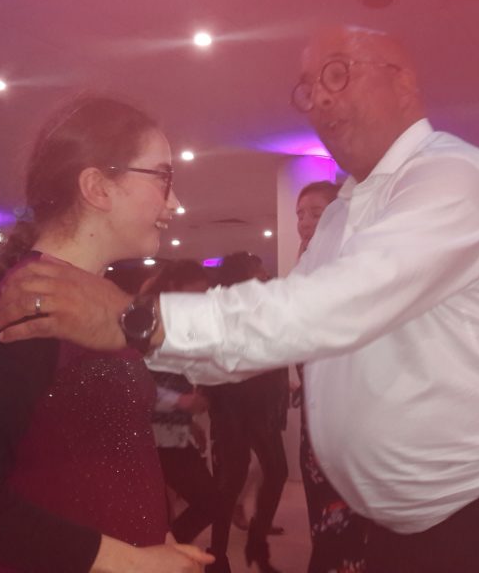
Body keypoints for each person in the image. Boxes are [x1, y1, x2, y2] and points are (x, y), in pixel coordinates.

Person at [0, 27, 479, 573]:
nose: (320, 98)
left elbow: (330, 307)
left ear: (403, 81)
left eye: (338, 74)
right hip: (407, 521)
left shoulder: (453, 177)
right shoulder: (341, 217)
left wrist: (134, 319)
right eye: (307, 89)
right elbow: (288, 328)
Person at [0, 97, 212, 573]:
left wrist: (155, 537)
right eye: (162, 176)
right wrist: (130, 562)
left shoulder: (83, 300)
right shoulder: (36, 304)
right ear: (98, 187)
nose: (174, 201)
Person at [293, 180, 373, 573]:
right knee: (326, 522)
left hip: (350, 419)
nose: (305, 222)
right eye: (300, 214)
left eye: (317, 213)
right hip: (316, 423)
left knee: (345, 526)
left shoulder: (349, 268)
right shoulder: (304, 271)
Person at [201, 252, 289, 573]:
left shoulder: (247, 307)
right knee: (238, 478)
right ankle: (225, 552)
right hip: (238, 402)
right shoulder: (232, 310)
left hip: (249, 402)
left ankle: (238, 546)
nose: (264, 275)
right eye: (258, 271)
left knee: (256, 474)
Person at [144, 260, 218, 545]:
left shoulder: (173, 322)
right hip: (152, 433)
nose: (200, 301)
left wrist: (188, 421)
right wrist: (181, 402)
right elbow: (134, 380)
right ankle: (166, 555)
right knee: (208, 502)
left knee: (166, 511)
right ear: (174, 288)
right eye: (195, 294)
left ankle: (165, 554)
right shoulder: (150, 320)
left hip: (169, 432)